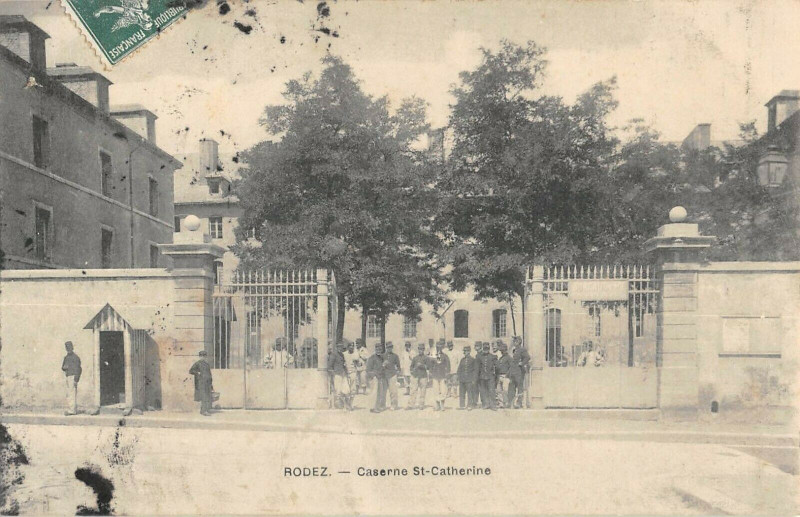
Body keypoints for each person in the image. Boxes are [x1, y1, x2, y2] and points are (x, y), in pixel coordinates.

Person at [328, 342, 353, 411]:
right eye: (339, 347)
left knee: (346, 389)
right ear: (336, 348)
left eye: (341, 348)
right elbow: (330, 365)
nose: (340, 349)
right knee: (338, 390)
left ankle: (347, 405)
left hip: (343, 373)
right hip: (337, 374)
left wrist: (346, 372)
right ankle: (338, 404)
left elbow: (344, 364)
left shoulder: (342, 355)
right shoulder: (333, 355)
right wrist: (332, 374)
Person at [189, 350, 214, 416]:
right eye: (201, 356)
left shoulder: (207, 364)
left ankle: (203, 410)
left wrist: (211, 384)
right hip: (201, 383)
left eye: (204, 356)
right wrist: (197, 372)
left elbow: (209, 374)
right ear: (199, 357)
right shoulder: (197, 363)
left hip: (207, 383)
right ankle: (204, 411)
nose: (203, 357)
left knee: (207, 397)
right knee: (204, 397)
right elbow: (191, 371)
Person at [61, 341, 82, 416]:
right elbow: (62, 367)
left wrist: (76, 379)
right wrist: (64, 368)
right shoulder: (66, 357)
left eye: (69, 347)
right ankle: (72, 409)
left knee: (72, 394)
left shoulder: (76, 357)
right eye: (67, 348)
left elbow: (79, 369)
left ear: (72, 348)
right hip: (68, 376)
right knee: (69, 394)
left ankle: (72, 410)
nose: (68, 349)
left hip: (73, 377)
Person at [365, 343, 387, 413]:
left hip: (380, 377)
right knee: (374, 393)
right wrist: (373, 375)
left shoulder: (381, 358)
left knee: (380, 393)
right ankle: (373, 408)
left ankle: (377, 407)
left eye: (380, 349)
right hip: (374, 378)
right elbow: (368, 369)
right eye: (377, 349)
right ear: (375, 349)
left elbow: (382, 369)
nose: (379, 350)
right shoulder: (372, 358)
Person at [407, 344, 429, 410]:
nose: (420, 350)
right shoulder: (415, 358)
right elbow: (411, 366)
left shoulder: (426, 358)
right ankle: (411, 405)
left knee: (423, 391)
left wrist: (421, 365)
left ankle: (421, 405)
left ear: (424, 350)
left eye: (422, 349)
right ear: (418, 350)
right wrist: (412, 371)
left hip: (423, 376)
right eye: (419, 349)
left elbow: (428, 367)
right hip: (415, 376)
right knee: (413, 390)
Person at [456, 344, 478, 410]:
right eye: (464, 351)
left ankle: (470, 405)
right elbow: (459, 369)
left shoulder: (473, 360)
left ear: (469, 351)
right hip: (462, 379)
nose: (464, 352)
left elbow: (475, 370)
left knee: (470, 393)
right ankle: (462, 405)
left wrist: (474, 379)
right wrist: (458, 377)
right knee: (462, 393)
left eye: (466, 351)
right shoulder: (462, 360)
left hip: (469, 379)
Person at [476, 342, 497, 410]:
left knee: (491, 391)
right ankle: (485, 404)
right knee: (483, 391)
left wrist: (495, 375)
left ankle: (493, 405)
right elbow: (477, 367)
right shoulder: (479, 357)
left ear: (489, 348)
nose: (486, 350)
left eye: (487, 348)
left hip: (490, 376)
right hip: (482, 376)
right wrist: (477, 376)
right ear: (483, 348)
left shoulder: (493, 357)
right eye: (484, 348)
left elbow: (497, 366)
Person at [511, 337, 531, 409]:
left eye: (515, 341)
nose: (514, 342)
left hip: (520, 371)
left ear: (519, 341)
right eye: (514, 341)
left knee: (520, 387)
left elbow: (528, 357)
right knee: (513, 386)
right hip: (514, 371)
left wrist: (522, 363)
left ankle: (519, 403)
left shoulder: (522, 349)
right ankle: (513, 402)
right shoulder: (515, 350)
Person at [430, 342, 451, 411]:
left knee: (443, 391)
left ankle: (442, 405)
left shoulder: (445, 356)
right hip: (435, 375)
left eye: (440, 347)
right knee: (436, 390)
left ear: (442, 348)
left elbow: (448, 366)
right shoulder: (433, 356)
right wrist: (431, 373)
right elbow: (430, 365)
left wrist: (447, 374)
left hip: (443, 376)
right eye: (437, 347)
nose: (439, 348)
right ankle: (437, 405)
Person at [495, 342, 514, 408]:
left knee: (505, 391)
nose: (502, 352)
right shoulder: (500, 358)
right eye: (501, 350)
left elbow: (511, 367)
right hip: (500, 376)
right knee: (499, 390)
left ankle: (506, 403)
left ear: (506, 350)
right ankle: (501, 404)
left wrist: (508, 375)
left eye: (504, 350)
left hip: (506, 376)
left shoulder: (509, 358)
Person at [384, 342, 402, 410]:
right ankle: (383, 405)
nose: (389, 348)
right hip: (385, 375)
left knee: (393, 391)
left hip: (392, 375)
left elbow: (398, 366)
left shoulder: (395, 356)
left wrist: (397, 372)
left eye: (391, 347)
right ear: (386, 348)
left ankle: (394, 405)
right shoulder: (383, 356)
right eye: (388, 347)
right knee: (383, 392)